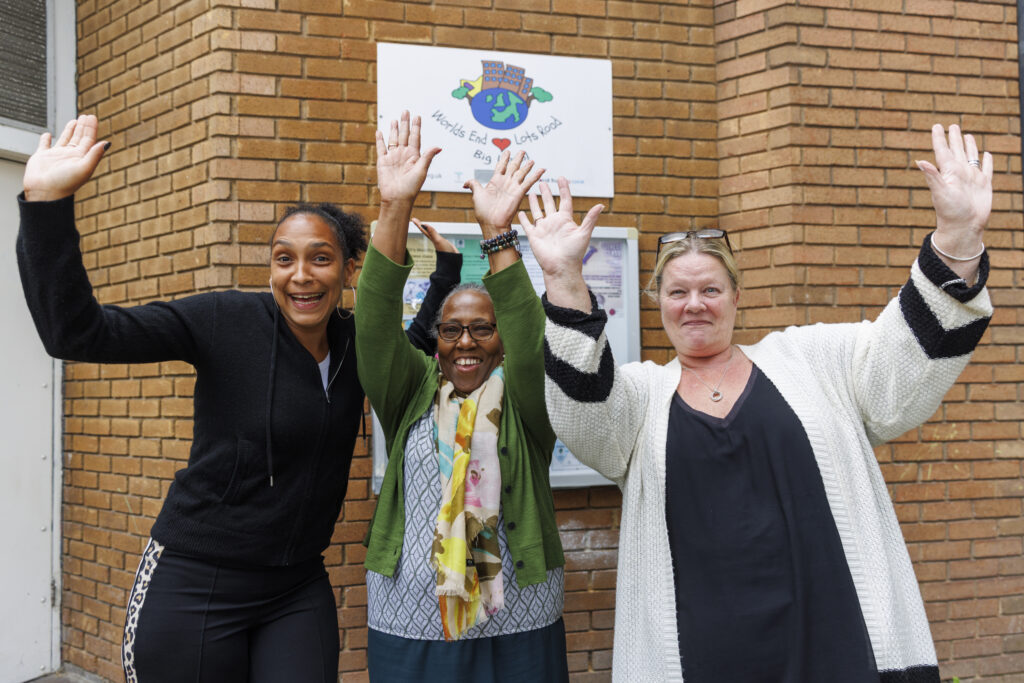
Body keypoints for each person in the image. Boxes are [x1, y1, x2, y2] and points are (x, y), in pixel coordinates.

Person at [525, 124, 993, 682]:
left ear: (737, 297)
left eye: (711, 290)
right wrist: (563, 279)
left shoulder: (814, 359)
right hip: (701, 655)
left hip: (833, 646)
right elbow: (585, 419)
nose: (694, 305)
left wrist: (957, 237)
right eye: (677, 292)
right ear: (657, 303)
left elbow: (901, 366)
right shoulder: (639, 396)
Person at [15, 114, 457, 682]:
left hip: (297, 584)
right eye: (284, 258)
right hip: (197, 580)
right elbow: (78, 334)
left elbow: (413, 346)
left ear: (349, 269)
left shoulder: (355, 344)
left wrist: (443, 273)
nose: (301, 275)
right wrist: (46, 207)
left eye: (320, 258)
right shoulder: (223, 320)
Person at [355, 112, 568, 682]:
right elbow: (374, 321)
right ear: (436, 340)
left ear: (501, 342)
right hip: (413, 612)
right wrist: (394, 207)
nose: (465, 341)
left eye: (482, 328)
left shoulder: (527, 401)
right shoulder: (412, 391)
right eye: (451, 329)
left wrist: (499, 234)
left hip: (520, 611)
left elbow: (530, 337)